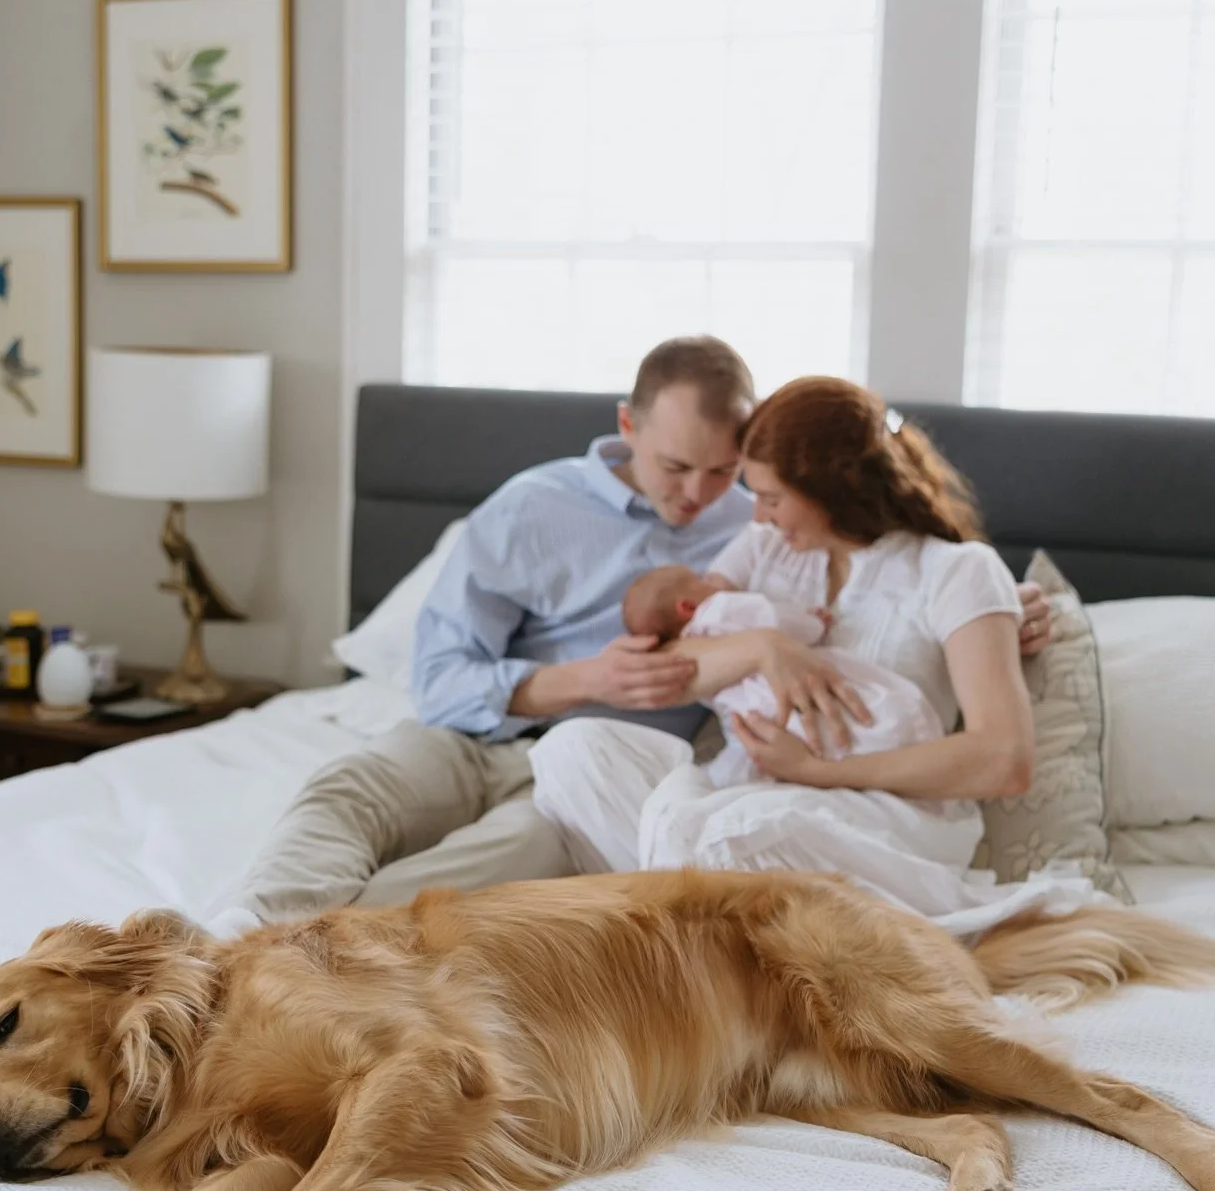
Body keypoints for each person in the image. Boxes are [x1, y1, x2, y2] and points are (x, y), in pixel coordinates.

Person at [213, 349, 1052, 933]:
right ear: (629, 426)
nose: (713, 498)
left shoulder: (864, 546)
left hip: (743, 785)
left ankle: (310, 954)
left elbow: (986, 731)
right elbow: (450, 677)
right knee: (368, 788)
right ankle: (235, 933)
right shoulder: (547, 510)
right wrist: (751, 651)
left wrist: (993, 614)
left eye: (734, 478)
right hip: (481, 730)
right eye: (682, 468)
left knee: (528, 851)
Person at [531, 376, 1085, 941]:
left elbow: (1003, 759)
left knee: (730, 834)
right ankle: (715, 938)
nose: (760, 516)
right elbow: (674, 661)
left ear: (834, 490)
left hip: (878, 811)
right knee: (573, 752)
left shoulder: (955, 571)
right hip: (744, 784)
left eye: (771, 499)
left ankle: (695, 940)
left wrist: (817, 772)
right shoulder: (764, 548)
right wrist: (763, 648)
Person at [618, 565, 944, 788]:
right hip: (786, 690)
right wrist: (813, 622)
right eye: (701, 579)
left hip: (749, 718)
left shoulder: (691, 650)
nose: (713, 582)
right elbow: (775, 620)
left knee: (737, 765)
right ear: (688, 607)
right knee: (848, 718)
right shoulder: (721, 609)